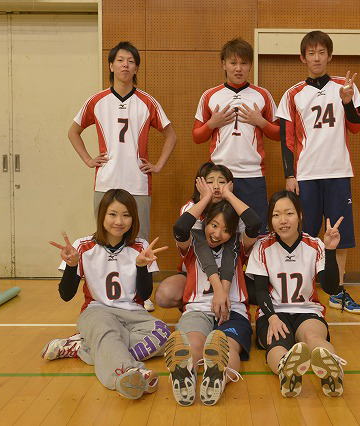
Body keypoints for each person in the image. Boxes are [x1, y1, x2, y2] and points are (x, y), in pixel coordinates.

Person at [68, 41, 177, 311]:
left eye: (130, 61)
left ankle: (142, 295)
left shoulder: (147, 101)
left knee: (139, 240)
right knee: (104, 237)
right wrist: (88, 160)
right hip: (105, 182)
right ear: (111, 65)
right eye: (120, 60)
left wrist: (158, 165)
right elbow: (73, 131)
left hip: (138, 183)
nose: (125, 65)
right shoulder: (97, 100)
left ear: (136, 67)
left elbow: (171, 135)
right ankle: (103, 293)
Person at [44, 189, 171, 400]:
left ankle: (82, 347)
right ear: (102, 215)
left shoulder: (141, 246)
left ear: (133, 218)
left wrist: (141, 266)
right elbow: (66, 295)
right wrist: (72, 266)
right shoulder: (82, 246)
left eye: (126, 215)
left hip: (134, 313)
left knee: (163, 334)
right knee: (107, 330)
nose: (119, 221)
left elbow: (145, 294)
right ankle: (127, 374)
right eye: (113, 214)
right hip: (97, 311)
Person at [276, 30, 360, 314]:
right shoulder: (292, 94)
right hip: (306, 175)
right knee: (304, 234)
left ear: (330, 56)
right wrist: (290, 174)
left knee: (339, 233)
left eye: (321, 52)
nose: (316, 58)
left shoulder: (345, 86)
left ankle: (338, 291)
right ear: (303, 58)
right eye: (311, 53)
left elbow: (356, 126)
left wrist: (348, 102)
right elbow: (286, 139)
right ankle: (303, 290)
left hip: (338, 172)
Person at [164, 177, 260, 406]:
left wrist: (228, 195)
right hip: (198, 309)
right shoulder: (191, 244)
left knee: (227, 348)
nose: (217, 234)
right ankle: (185, 373)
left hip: (233, 311)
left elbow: (254, 224)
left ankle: (217, 378)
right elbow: (180, 227)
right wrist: (207, 197)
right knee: (193, 344)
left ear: (233, 232)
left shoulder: (239, 245)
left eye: (226, 230)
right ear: (204, 222)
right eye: (214, 225)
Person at [246, 190, 348, 398]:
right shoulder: (262, 246)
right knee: (278, 344)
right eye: (276, 215)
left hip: (307, 311)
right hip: (273, 312)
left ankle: (332, 371)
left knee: (313, 337)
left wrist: (330, 251)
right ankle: (287, 371)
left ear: (300, 215)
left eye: (289, 213)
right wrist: (272, 317)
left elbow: (330, 288)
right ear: (270, 220)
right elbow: (260, 290)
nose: (283, 220)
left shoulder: (315, 245)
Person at [192, 38, 280, 233]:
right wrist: (212, 124)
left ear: (250, 65)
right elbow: (196, 136)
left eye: (244, 63)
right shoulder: (210, 95)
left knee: (256, 231)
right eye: (233, 63)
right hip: (219, 175)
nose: (238, 68)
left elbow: (279, 134)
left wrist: (261, 122)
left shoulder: (262, 95)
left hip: (253, 175)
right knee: (220, 230)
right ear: (224, 64)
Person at [155, 162, 240, 309]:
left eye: (221, 182)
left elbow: (233, 248)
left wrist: (223, 289)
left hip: (230, 273)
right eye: (210, 182)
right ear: (199, 185)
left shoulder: (236, 208)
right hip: (197, 271)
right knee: (165, 295)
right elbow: (201, 248)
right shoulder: (190, 208)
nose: (216, 186)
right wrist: (205, 198)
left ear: (230, 186)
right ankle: (194, 306)